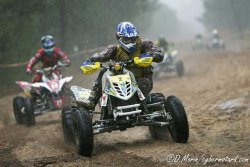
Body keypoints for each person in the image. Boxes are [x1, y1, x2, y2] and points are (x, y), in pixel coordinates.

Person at [81, 21, 164, 110]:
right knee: (103, 71)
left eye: (133, 39)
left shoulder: (145, 45)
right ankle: (92, 100)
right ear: (119, 38)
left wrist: (150, 55)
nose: (131, 42)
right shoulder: (114, 49)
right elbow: (102, 55)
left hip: (141, 82)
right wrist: (90, 60)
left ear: (136, 37)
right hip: (118, 84)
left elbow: (159, 54)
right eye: (127, 39)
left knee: (145, 88)